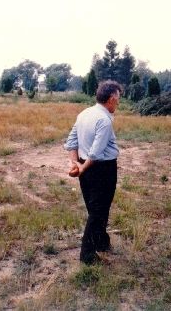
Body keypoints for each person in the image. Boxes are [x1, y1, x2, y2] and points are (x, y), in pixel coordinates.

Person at [64, 80, 122, 265]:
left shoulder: (84, 113)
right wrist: (80, 166)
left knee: (95, 208)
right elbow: (96, 153)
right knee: (98, 211)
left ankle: (101, 242)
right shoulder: (103, 120)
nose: (118, 104)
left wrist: (76, 164)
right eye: (118, 100)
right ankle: (87, 255)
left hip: (86, 167)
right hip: (101, 169)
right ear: (112, 99)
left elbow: (71, 142)